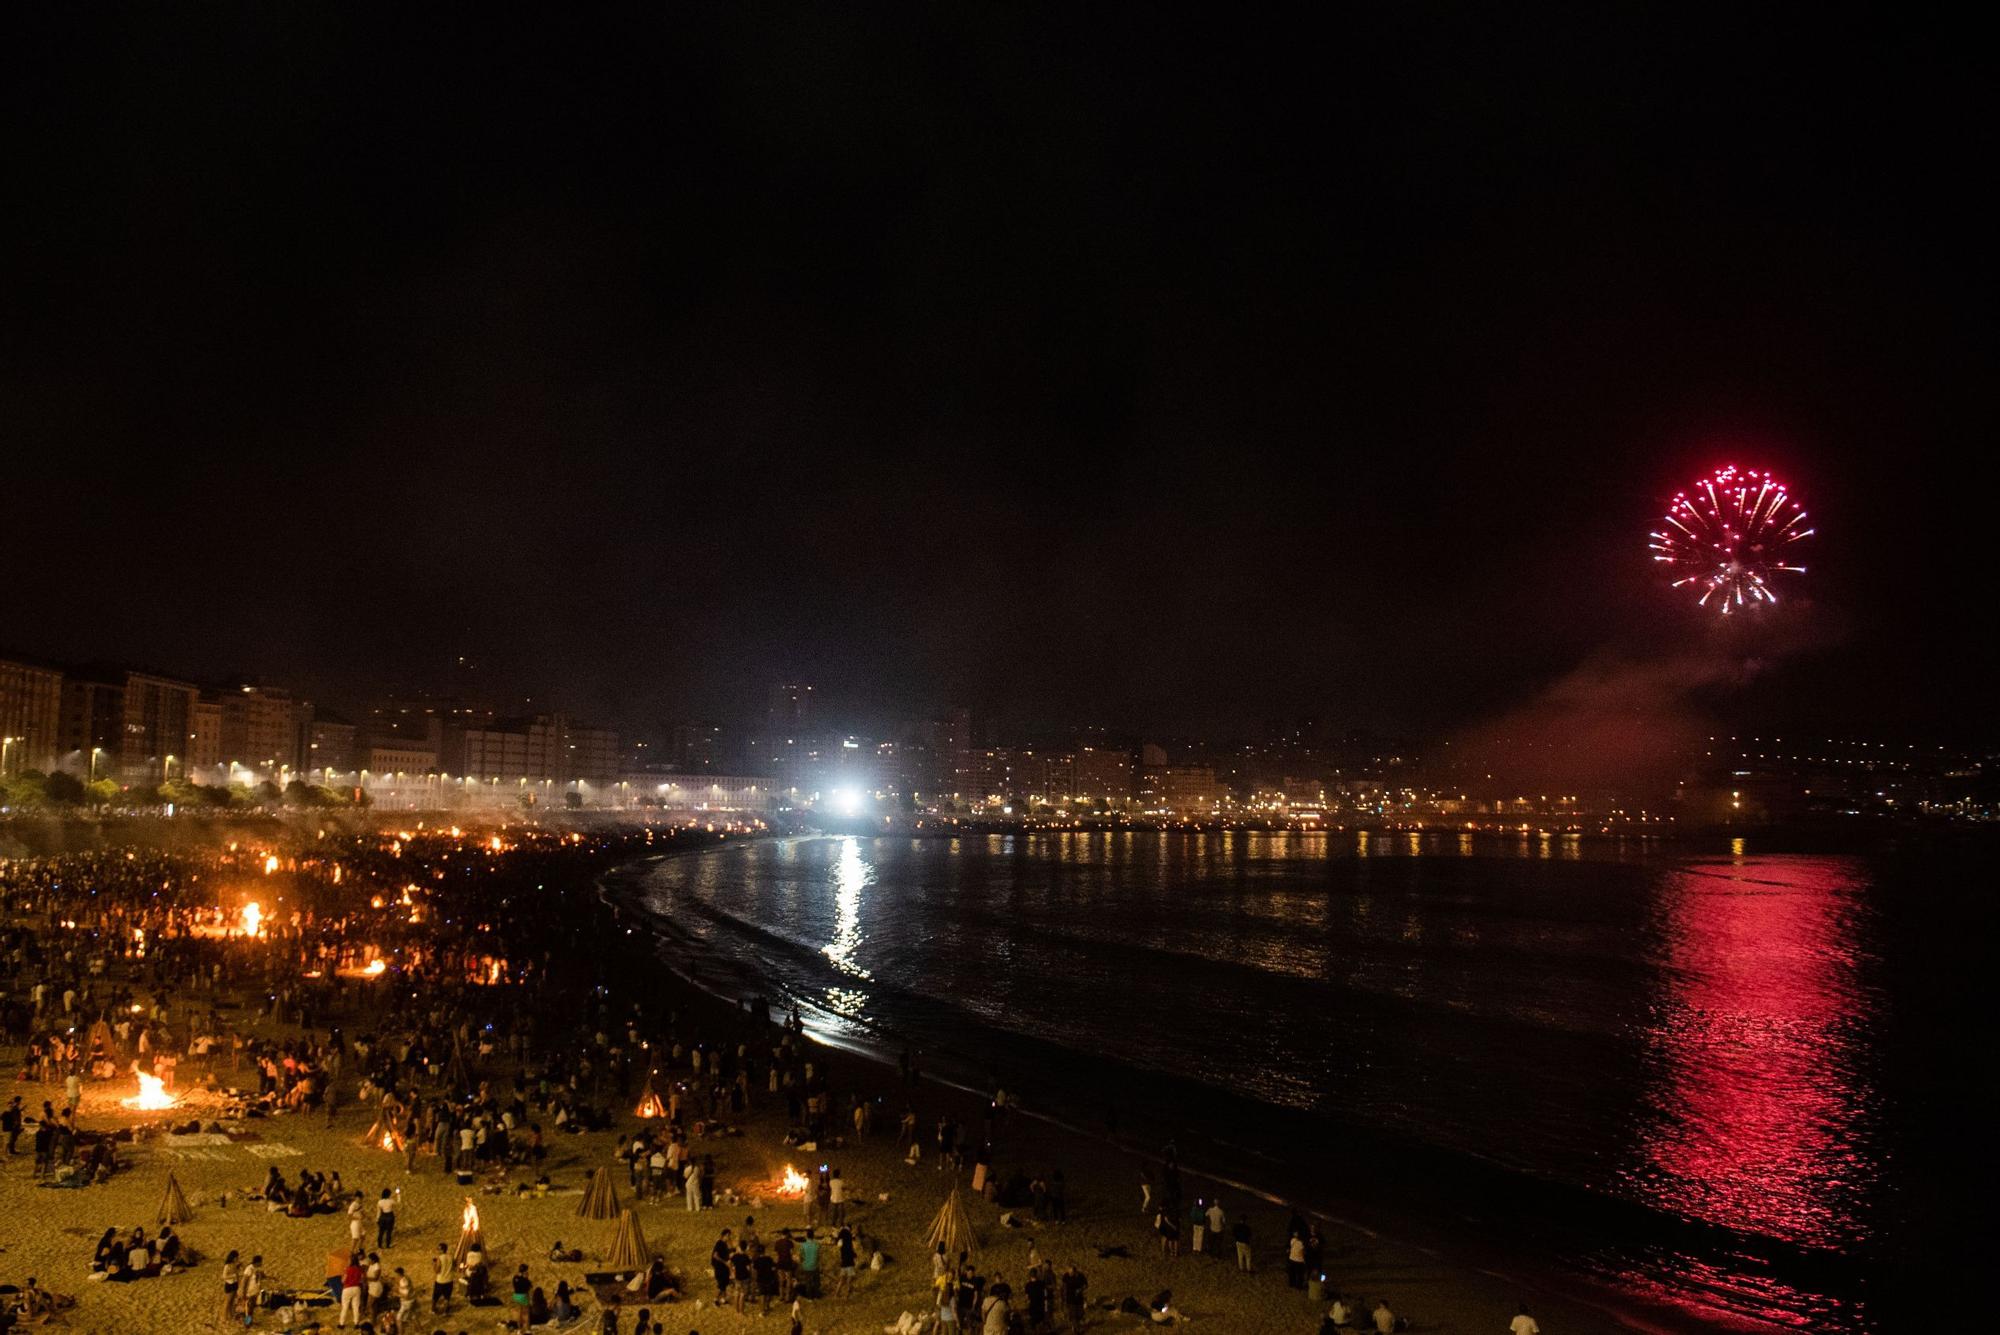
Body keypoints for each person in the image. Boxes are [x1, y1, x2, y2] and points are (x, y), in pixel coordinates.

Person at [338, 1254, 365, 1327]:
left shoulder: (347, 1269)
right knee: (356, 1307)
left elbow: (343, 1281)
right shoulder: (360, 1269)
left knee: (345, 1307)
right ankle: (356, 1323)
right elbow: (362, 1280)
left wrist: (342, 1275)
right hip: (357, 1288)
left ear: (351, 1261)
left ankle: (341, 1324)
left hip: (347, 1289)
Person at [221, 1250, 243, 1325]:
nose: (237, 1258)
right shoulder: (227, 1266)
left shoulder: (235, 1264)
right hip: (229, 1284)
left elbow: (240, 1272)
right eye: (236, 1257)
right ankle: (224, 1317)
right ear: (233, 1257)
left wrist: (240, 1266)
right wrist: (233, 1275)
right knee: (227, 1301)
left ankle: (231, 1315)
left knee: (232, 1301)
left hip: (235, 1283)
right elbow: (224, 1276)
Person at [431, 1243, 454, 1313]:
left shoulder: (440, 1258)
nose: (437, 1250)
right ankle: (445, 1312)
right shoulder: (450, 1257)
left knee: (435, 1297)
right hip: (449, 1280)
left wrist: (434, 1264)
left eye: (438, 1249)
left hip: (440, 1281)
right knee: (447, 1297)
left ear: (442, 1250)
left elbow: (437, 1271)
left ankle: (433, 1310)